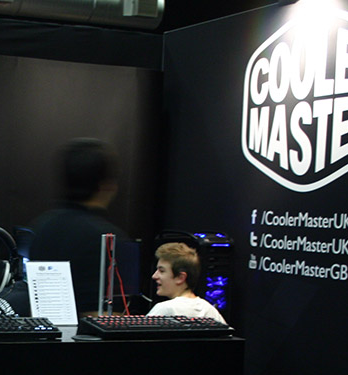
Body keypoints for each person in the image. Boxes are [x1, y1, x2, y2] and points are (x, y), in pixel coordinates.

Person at [29, 138, 129, 314]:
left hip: (42, 329)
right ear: (106, 185)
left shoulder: (40, 227)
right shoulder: (110, 240)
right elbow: (110, 317)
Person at [148, 241, 226, 322]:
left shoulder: (165, 309)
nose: (154, 276)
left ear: (180, 278)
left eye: (162, 271)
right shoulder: (210, 311)